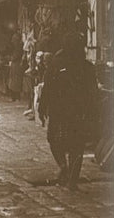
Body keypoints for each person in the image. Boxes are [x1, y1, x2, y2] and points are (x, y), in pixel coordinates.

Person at [39, 37, 99, 192]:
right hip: (79, 113)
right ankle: (72, 181)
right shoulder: (87, 67)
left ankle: (63, 166)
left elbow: (47, 88)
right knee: (76, 147)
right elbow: (94, 93)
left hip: (59, 112)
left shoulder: (55, 64)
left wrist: (42, 108)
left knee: (54, 140)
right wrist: (93, 113)